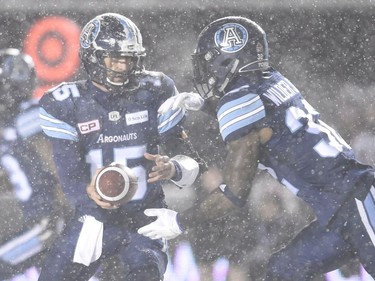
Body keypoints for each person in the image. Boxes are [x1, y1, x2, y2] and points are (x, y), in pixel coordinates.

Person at [137, 16, 375, 280]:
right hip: (339, 209)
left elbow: (233, 194)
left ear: (228, 60)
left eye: (209, 61)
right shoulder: (270, 79)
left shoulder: (238, 102)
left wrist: (180, 222)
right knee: (283, 270)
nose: (206, 70)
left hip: (357, 202)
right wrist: (204, 105)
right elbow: (261, 123)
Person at [38, 12, 205, 281]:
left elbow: (194, 167)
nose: (121, 67)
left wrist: (172, 168)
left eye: (128, 59)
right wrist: (86, 193)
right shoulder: (65, 102)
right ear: (93, 57)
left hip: (144, 220)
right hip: (93, 218)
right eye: (114, 59)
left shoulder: (156, 89)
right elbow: (69, 176)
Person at [0, 48, 68, 279]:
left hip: (48, 220)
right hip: (41, 217)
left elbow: (58, 160)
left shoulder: (31, 116)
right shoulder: (12, 121)